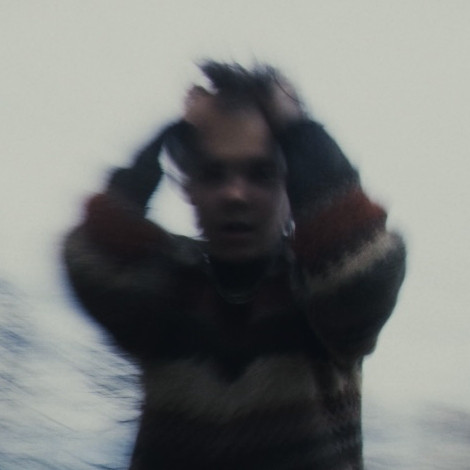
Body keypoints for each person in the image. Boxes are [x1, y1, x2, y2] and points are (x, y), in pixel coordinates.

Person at [63, 61, 406, 470]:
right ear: (188, 187)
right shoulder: (166, 285)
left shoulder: (319, 289)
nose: (235, 194)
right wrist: (171, 133)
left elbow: (363, 274)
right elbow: (91, 260)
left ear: (293, 187)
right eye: (213, 173)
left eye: (261, 173)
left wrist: (299, 130)